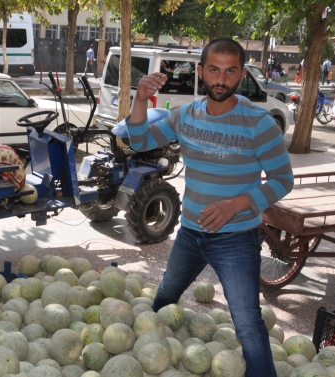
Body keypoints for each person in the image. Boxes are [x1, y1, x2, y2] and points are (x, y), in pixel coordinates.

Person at [127, 38, 293, 377]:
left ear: (242, 74)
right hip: (190, 232)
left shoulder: (259, 123)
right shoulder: (185, 116)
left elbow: (283, 179)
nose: (221, 79)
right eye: (213, 70)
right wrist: (140, 99)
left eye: (230, 71)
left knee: (248, 324)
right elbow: (139, 140)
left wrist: (238, 204)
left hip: (236, 238)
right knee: (165, 297)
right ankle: (146, 357)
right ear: (200, 72)